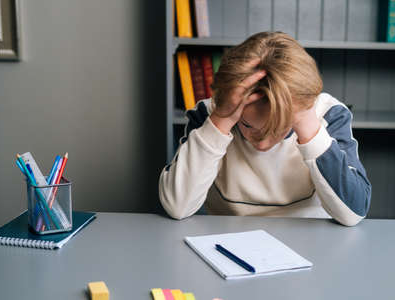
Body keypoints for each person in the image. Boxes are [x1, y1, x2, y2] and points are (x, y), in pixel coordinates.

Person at [159, 31, 371, 226]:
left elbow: (353, 214)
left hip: (311, 240)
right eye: (247, 125)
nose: (261, 143)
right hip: (230, 240)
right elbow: (178, 207)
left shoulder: (328, 114)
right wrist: (220, 122)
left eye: (277, 128)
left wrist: (307, 122)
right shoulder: (210, 115)